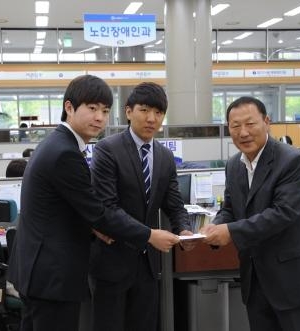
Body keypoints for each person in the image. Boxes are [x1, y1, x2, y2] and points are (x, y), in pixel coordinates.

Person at [7, 75, 180, 331]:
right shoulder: (66, 153)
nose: (99, 117)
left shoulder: (56, 144)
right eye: (92, 108)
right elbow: (98, 212)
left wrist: (95, 225)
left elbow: (70, 208)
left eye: (105, 110)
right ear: (69, 108)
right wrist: (148, 235)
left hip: (39, 272)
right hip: (53, 276)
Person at [200, 96, 300, 331]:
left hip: (294, 281)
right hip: (256, 280)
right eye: (235, 126)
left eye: (250, 124)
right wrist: (215, 226)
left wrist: (230, 231)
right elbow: (230, 208)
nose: (243, 132)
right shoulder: (233, 166)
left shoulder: (291, 160)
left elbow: (282, 213)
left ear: (266, 121)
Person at [89, 82, 194, 331]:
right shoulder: (107, 150)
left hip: (147, 267)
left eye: (158, 113)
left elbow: (174, 204)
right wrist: (149, 236)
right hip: (111, 261)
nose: (151, 118)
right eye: (144, 110)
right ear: (128, 112)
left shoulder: (165, 156)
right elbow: (108, 208)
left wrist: (185, 230)